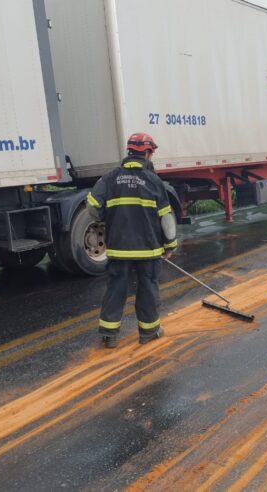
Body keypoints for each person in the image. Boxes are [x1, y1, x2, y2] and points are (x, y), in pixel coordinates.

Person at [86, 133, 178, 348]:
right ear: (146, 153)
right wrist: (170, 244)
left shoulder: (109, 178)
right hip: (148, 249)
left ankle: (109, 335)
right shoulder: (154, 181)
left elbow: (92, 206)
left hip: (119, 248)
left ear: (129, 153)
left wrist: (104, 217)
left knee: (115, 288)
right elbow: (166, 218)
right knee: (147, 288)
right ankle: (149, 332)